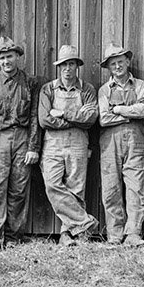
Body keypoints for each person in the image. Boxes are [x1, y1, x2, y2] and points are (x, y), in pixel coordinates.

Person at [0, 36, 41, 251]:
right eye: (2, 58)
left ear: (17, 57)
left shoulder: (30, 82)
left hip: (22, 138)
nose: (6, 61)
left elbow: (34, 118)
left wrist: (33, 147)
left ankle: (13, 236)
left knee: (19, 188)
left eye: (9, 56)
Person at [38, 45, 100, 246]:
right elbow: (45, 120)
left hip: (78, 143)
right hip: (53, 145)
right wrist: (76, 117)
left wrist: (63, 114)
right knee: (52, 184)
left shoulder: (87, 89)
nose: (67, 68)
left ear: (77, 66)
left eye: (71, 64)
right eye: (63, 64)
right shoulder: (48, 89)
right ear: (59, 67)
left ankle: (68, 235)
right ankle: (85, 222)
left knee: (76, 188)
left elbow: (90, 119)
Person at [97, 43, 144, 247]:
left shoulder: (140, 85)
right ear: (109, 68)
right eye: (113, 63)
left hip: (135, 142)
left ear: (128, 62)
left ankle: (133, 234)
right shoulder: (104, 90)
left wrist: (118, 110)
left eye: (120, 62)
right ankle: (114, 234)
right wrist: (130, 114)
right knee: (111, 188)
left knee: (136, 187)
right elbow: (103, 119)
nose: (118, 66)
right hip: (110, 142)